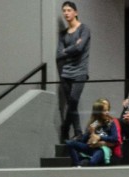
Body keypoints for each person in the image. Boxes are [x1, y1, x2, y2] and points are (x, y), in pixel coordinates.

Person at [56, 2, 90, 141]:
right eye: (64, 11)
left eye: (69, 10)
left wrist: (66, 50)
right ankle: (77, 132)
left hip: (80, 71)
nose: (66, 13)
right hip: (65, 72)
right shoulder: (63, 34)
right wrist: (70, 49)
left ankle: (66, 127)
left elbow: (80, 48)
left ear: (75, 12)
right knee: (71, 103)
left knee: (74, 100)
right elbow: (58, 54)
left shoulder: (84, 29)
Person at [67, 98, 121, 166]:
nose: (107, 112)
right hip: (91, 147)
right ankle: (77, 165)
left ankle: (84, 162)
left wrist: (99, 137)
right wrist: (89, 133)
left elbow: (114, 138)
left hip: (102, 149)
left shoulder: (110, 123)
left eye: (107, 110)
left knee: (93, 162)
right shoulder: (95, 123)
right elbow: (84, 140)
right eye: (104, 111)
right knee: (70, 143)